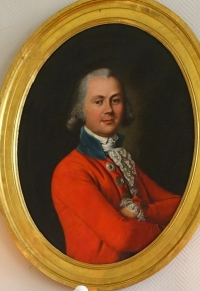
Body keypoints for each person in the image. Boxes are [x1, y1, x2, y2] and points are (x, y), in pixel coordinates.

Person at [51, 69, 181, 264]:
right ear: (81, 110)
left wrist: (141, 210)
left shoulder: (121, 160)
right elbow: (122, 237)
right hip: (94, 285)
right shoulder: (70, 170)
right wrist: (167, 231)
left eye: (115, 100)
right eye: (98, 101)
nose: (109, 110)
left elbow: (178, 204)